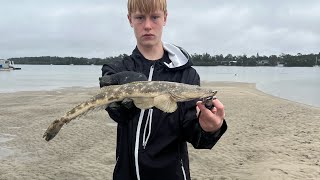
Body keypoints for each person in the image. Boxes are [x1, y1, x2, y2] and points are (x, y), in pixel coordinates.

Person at [100, 0, 227, 179]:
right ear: (130, 19)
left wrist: (210, 128)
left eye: (155, 17)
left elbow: (193, 133)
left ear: (165, 18)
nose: (147, 26)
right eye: (140, 17)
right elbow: (118, 115)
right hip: (127, 173)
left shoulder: (187, 75)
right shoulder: (117, 69)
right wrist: (121, 101)